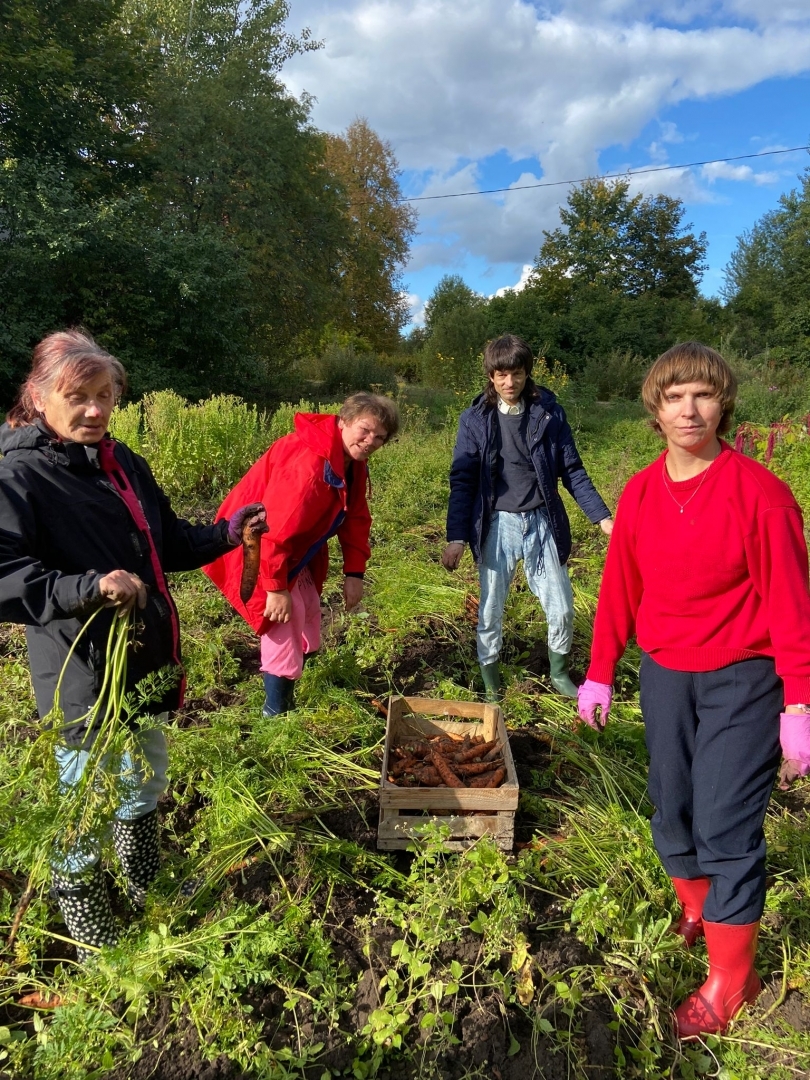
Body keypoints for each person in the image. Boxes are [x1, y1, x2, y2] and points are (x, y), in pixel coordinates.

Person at [0, 330, 266, 960]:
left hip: (143, 663)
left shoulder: (123, 464)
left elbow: (164, 543)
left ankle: (142, 879)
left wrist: (228, 533)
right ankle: (93, 934)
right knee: (82, 804)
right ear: (39, 397)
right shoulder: (19, 473)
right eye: (78, 396)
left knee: (144, 778)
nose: (94, 409)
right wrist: (87, 587)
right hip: (81, 674)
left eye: (105, 394)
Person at [577, 342, 810, 1037]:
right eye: (675, 395)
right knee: (672, 807)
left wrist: (799, 701)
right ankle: (698, 908)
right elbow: (621, 585)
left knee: (725, 823)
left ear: (722, 404)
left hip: (744, 676)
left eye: (703, 395)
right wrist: (598, 669)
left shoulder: (760, 494)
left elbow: (793, 605)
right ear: (655, 407)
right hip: (667, 672)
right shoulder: (643, 492)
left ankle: (734, 979)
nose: (689, 409)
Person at [205, 392, 399, 716]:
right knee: (284, 618)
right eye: (364, 430)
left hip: (295, 547)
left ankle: (288, 690)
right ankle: (275, 715)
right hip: (254, 548)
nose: (369, 441)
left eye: (379, 438)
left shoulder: (352, 463)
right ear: (344, 421)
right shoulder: (311, 464)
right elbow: (273, 530)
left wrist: (354, 573)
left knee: (308, 609)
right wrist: (276, 588)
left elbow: (356, 519)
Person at [442, 334, 612, 701]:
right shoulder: (474, 419)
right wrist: (456, 536)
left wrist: (602, 517)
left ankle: (559, 672)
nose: (509, 383)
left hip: (541, 520)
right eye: (501, 375)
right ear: (490, 375)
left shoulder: (548, 414)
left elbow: (573, 470)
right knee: (489, 609)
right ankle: (491, 685)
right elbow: (463, 480)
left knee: (562, 606)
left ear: (526, 373)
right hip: (497, 524)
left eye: (516, 374)